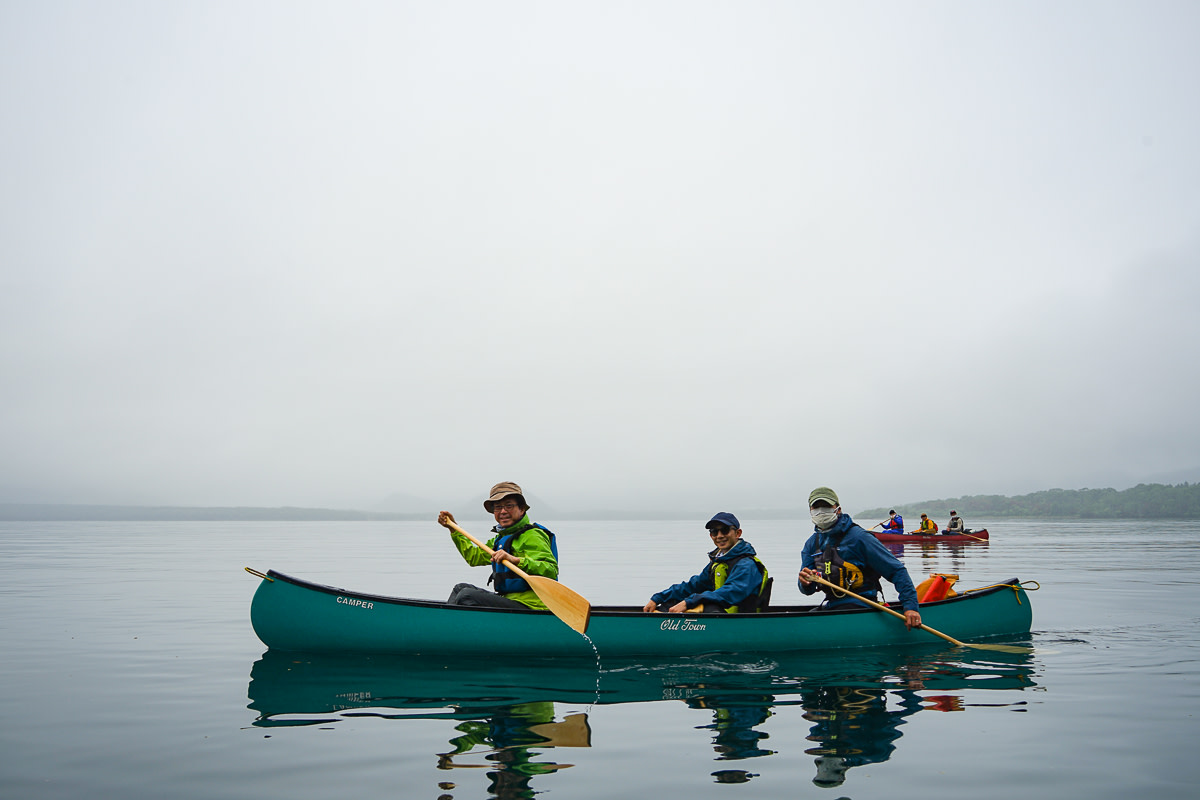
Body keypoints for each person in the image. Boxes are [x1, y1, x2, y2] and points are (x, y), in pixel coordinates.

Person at [798, 487, 922, 629]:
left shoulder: (860, 538)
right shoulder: (811, 544)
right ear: (810, 511)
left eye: (826, 506)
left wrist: (910, 606)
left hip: (863, 605)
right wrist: (805, 583)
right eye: (816, 507)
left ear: (838, 509)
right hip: (832, 605)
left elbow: (896, 571)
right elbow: (807, 589)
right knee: (807, 619)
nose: (821, 511)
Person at [438, 481, 559, 610]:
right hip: (509, 601)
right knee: (460, 588)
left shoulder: (533, 535)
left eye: (509, 506)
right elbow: (474, 557)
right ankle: (445, 623)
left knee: (466, 595)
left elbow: (551, 569)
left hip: (532, 606)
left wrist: (517, 560)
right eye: (498, 507)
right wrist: (454, 529)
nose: (503, 511)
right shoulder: (501, 539)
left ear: (522, 509)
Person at [642, 512, 771, 614]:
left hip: (737, 622)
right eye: (714, 532)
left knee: (703, 604)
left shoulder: (746, 565)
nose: (719, 536)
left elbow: (730, 592)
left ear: (738, 533)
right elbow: (693, 585)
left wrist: (690, 602)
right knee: (674, 601)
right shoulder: (719, 562)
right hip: (720, 616)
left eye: (725, 530)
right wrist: (658, 598)